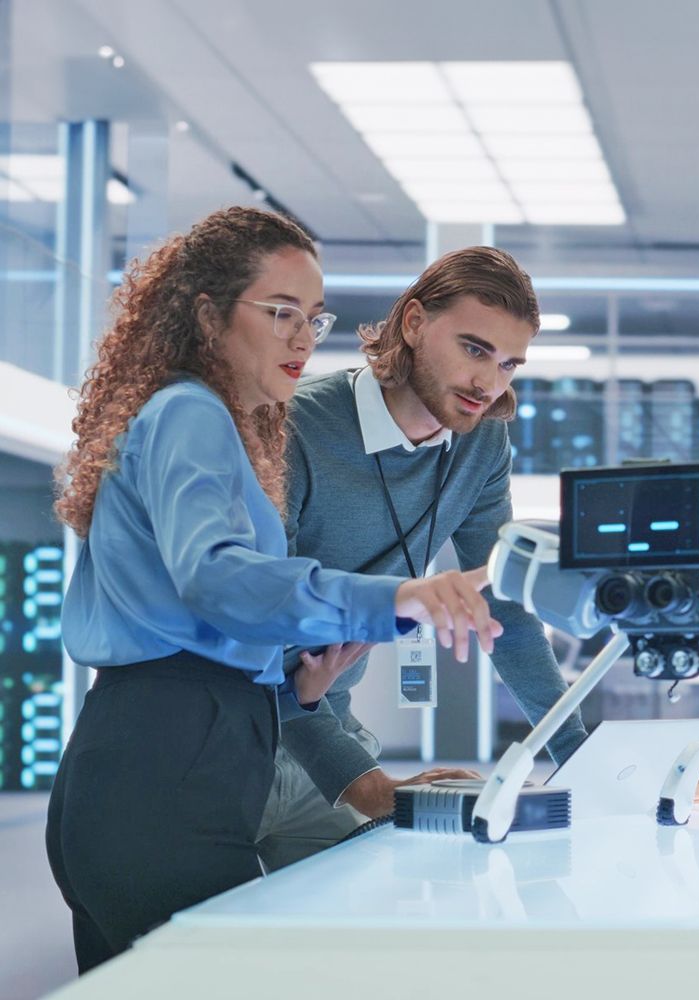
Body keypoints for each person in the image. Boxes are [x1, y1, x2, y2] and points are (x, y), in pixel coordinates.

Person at [45, 206, 499, 972]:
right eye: (280, 312)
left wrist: (301, 690)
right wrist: (395, 597)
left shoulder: (210, 421)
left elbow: (202, 616)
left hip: (154, 762)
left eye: (314, 319)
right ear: (207, 313)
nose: (301, 337)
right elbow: (214, 576)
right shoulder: (190, 411)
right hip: (166, 773)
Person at [255, 246, 587, 869]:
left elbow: (506, 608)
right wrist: (363, 780)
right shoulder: (292, 427)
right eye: (474, 349)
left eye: (509, 364)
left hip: (323, 730)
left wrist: (584, 759)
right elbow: (259, 616)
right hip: (238, 737)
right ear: (412, 324)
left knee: (351, 942)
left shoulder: (482, 445)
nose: (489, 384)